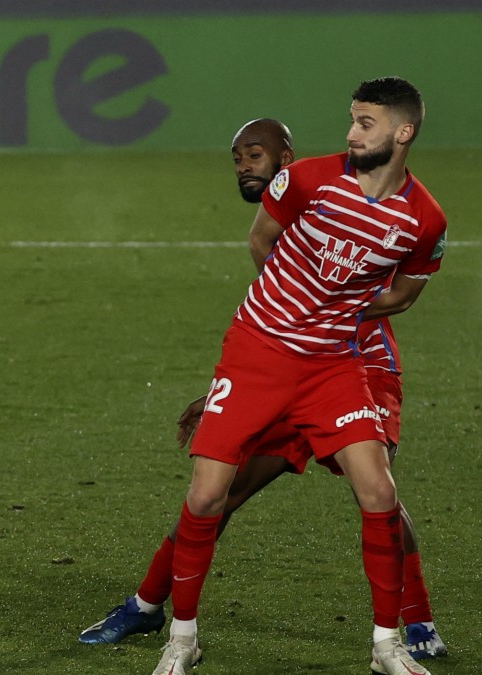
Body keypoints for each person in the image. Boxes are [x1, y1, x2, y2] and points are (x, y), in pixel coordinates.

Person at [76, 118, 448, 662]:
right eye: (237, 158)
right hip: (280, 370)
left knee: (378, 490)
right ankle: (148, 604)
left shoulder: (353, 199)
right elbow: (273, 308)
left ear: (287, 157)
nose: (244, 166)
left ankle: (415, 620)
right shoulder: (297, 217)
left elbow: (392, 290)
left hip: (359, 366)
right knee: (218, 494)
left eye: (254, 154)